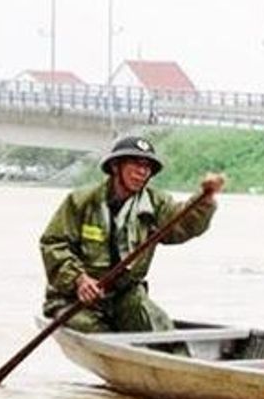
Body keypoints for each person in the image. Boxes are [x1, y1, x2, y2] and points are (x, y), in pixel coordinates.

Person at [39, 135, 225, 332]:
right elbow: (53, 243)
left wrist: (204, 199)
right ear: (115, 167)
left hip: (125, 296)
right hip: (74, 299)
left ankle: (176, 362)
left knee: (159, 327)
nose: (142, 172)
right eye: (136, 165)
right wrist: (79, 279)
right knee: (93, 330)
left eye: (147, 167)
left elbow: (181, 224)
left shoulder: (156, 203)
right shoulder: (81, 201)